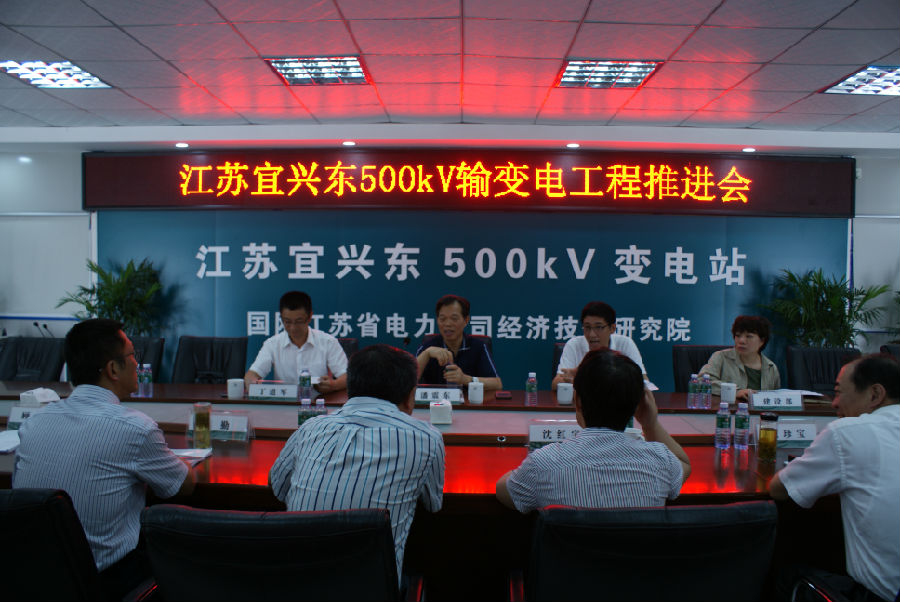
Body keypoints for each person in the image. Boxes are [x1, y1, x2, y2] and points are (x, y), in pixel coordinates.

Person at [13, 318, 194, 600]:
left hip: (34, 580)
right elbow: (183, 485)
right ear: (113, 369)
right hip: (107, 582)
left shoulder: (33, 423)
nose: (138, 363)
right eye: (133, 355)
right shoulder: (135, 428)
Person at [269, 344, 445, 576]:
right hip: (371, 587)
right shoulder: (426, 438)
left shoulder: (310, 428)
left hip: (294, 583)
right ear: (410, 396)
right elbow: (433, 504)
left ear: (350, 388)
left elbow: (278, 488)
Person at [769, 354, 899, 602]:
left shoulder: (848, 432)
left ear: (875, 394)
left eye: (838, 392)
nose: (834, 403)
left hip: (879, 596)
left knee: (786, 572)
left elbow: (779, 489)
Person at [496, 349, 690, 511]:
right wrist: (650, 423)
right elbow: (684, 464)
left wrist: (528, 468)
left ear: (577, 401)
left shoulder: (544, 463)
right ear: (640, 404)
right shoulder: (660, 461)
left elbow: (504, 491)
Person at [245, 290, 348, 393]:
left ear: (310, 317)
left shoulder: (328, 342)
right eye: (287, 322)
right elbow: (252, 374)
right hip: (283, 402)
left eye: (299, 321)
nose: (293, 328)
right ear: (281, 318)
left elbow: (347, 376)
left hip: (318, 400)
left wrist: (333, 385)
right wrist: (252, 384)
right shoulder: (272, 344)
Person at [552, 301, 647, 390]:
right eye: (587, 327)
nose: (592, 334)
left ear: (612, 328)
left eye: (599, 327)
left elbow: (643, 380)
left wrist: (581, 378)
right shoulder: (574, 345)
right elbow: (556, 384)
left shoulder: (625, 344)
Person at [415, 294, 502, 391]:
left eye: (454, 318)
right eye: (442, 319)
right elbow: (407, 382)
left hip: (469, 400)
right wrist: (426, 354)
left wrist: (465, 379)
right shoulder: (428, 346)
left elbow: (497, 384)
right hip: (435, 400)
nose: (447, 324)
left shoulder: (478, 346)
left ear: (466, 320)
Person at [699, 315, 780, 402]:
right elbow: (701, 382)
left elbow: (776, 400)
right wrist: (735, 391)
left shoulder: (771, 368)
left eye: (749, 336)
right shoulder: (721, 357)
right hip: (727, 409)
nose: (741, 341)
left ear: (762, 341)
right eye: (738, 336)